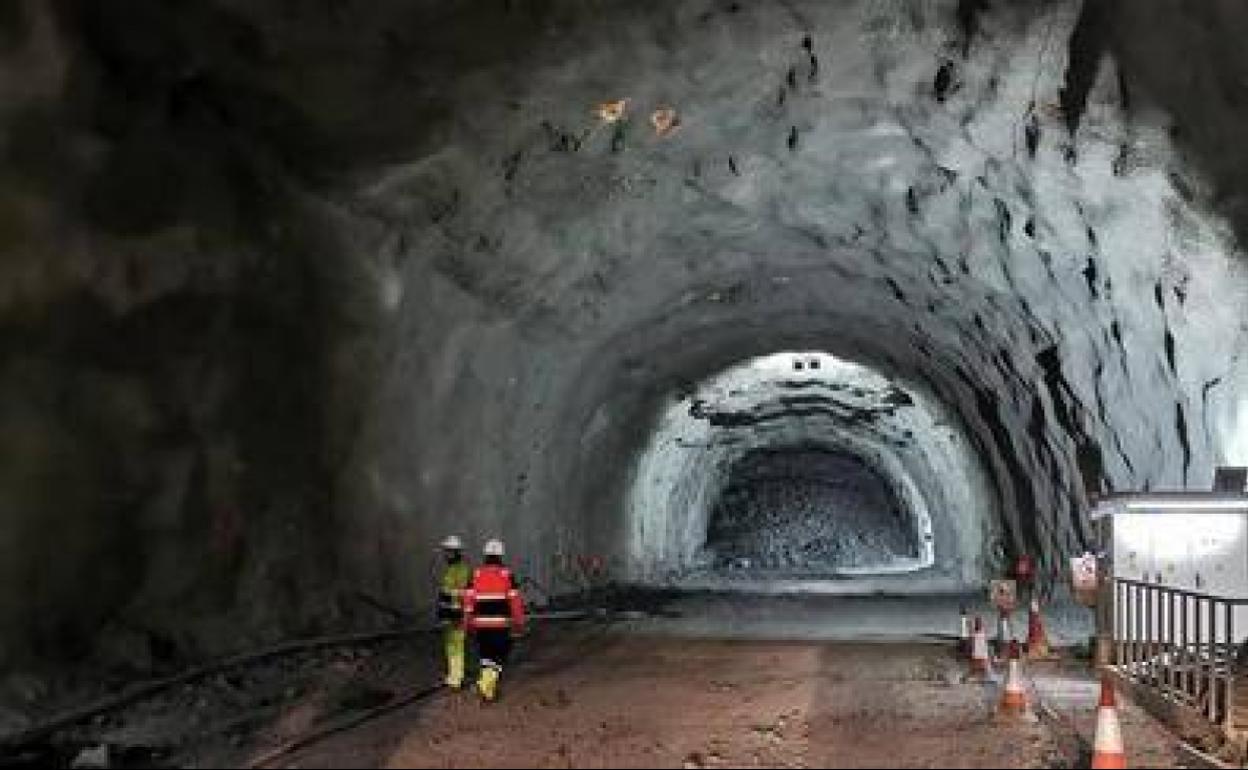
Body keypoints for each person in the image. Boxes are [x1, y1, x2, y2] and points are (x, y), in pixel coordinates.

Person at [463, 538, 526, 702]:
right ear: (500, 555)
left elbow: (468, 601)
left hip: (481, 625)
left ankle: (488, 693)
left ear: (485, 555)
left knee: (486, 656)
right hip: (500, 624)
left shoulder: (475, 574)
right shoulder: (507, 574)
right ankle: (484, 684)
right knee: (499, 656)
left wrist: (468, 622)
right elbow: (515, 601)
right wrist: (519, 622)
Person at [436, 535, 472, 689]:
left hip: (457, 614)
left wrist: (447, 594)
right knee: (451, 646)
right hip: (449, 614)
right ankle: (454, 675)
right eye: (445, 551)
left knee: (456, 646)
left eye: (448, 552)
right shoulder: (451, 569)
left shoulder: (462, 568)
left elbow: (462, 592)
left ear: (456, 552)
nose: (445, 554)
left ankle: (456, 678)